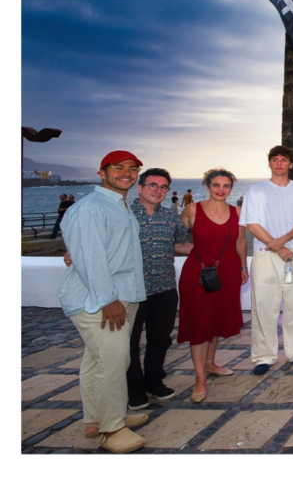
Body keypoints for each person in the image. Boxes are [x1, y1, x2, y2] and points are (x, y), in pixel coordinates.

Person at [59, 150, 148, 453]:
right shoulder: (90, 209)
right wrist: (108, 300)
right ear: (102, 172)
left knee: (96, 361)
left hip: (121, 295)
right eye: (118, 168)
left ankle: (96, 419)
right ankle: (113, 429)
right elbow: (91, 260)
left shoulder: (119, 205)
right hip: (100, 301)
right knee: (112, 361)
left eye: (132, 168)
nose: (127, 173)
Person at [240, 145, 293, 374]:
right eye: (275, 159)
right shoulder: (256, 191)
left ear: (291, 164)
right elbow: (252, 224)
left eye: (284, 159)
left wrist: (282, 242)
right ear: (270, 163)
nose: (280, 163)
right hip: (266, 255)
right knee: (264, 305)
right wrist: (278, 247)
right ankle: (264, 356)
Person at [179, 168, 247, 403]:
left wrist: (243, 267)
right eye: (216, 185)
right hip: (197, 274)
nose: (221, 190)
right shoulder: (192, 210)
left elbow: (240, 242)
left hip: (227, 273)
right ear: (207, 186)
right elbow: (173, 240)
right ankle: (199, 378)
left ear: (231, 189)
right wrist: (196, 252)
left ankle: (209, 364)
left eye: (226, 186)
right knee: (199, 325)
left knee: (216, 320)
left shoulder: (237, 212)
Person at [126, 168, 192, 409]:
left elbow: (181, 245)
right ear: (140, 187)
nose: (158, 190)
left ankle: (154, 381)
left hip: (164, 288)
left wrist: (212, 250)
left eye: (163, 187)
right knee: (129, 343)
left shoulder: (170, 217)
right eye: (153, 185)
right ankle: (134, 389)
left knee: (160, 339)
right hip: (131, 291)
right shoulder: (124, 214)